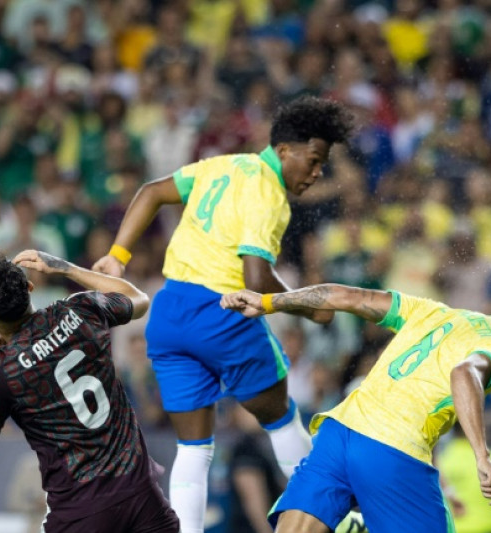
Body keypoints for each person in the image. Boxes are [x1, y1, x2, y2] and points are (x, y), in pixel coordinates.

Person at [91, 96, 354, 533]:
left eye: (322, 164)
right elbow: (255, 275)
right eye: (313, 160)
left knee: (194, 447)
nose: (317, 173)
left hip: (170, 313)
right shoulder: (270, 194)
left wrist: (117, 255)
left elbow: (152, 192)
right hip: (223, 314)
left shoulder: (222, 164)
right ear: (285, 149)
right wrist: (309, 308)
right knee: (280, 417)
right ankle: (337, 522)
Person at [219, 279, 491, 533]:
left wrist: (267, 302)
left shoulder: (435, 312)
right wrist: (482, 456)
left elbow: (345, 296)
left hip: (338, 433)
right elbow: (464, 374)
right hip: (393, 449)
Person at [0, 250, 179, 532]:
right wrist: (67, 269)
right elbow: (139, 300)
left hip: (80, 513)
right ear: (30, 288)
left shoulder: (1, 375)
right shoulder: (80, 310)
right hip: (142, 497)